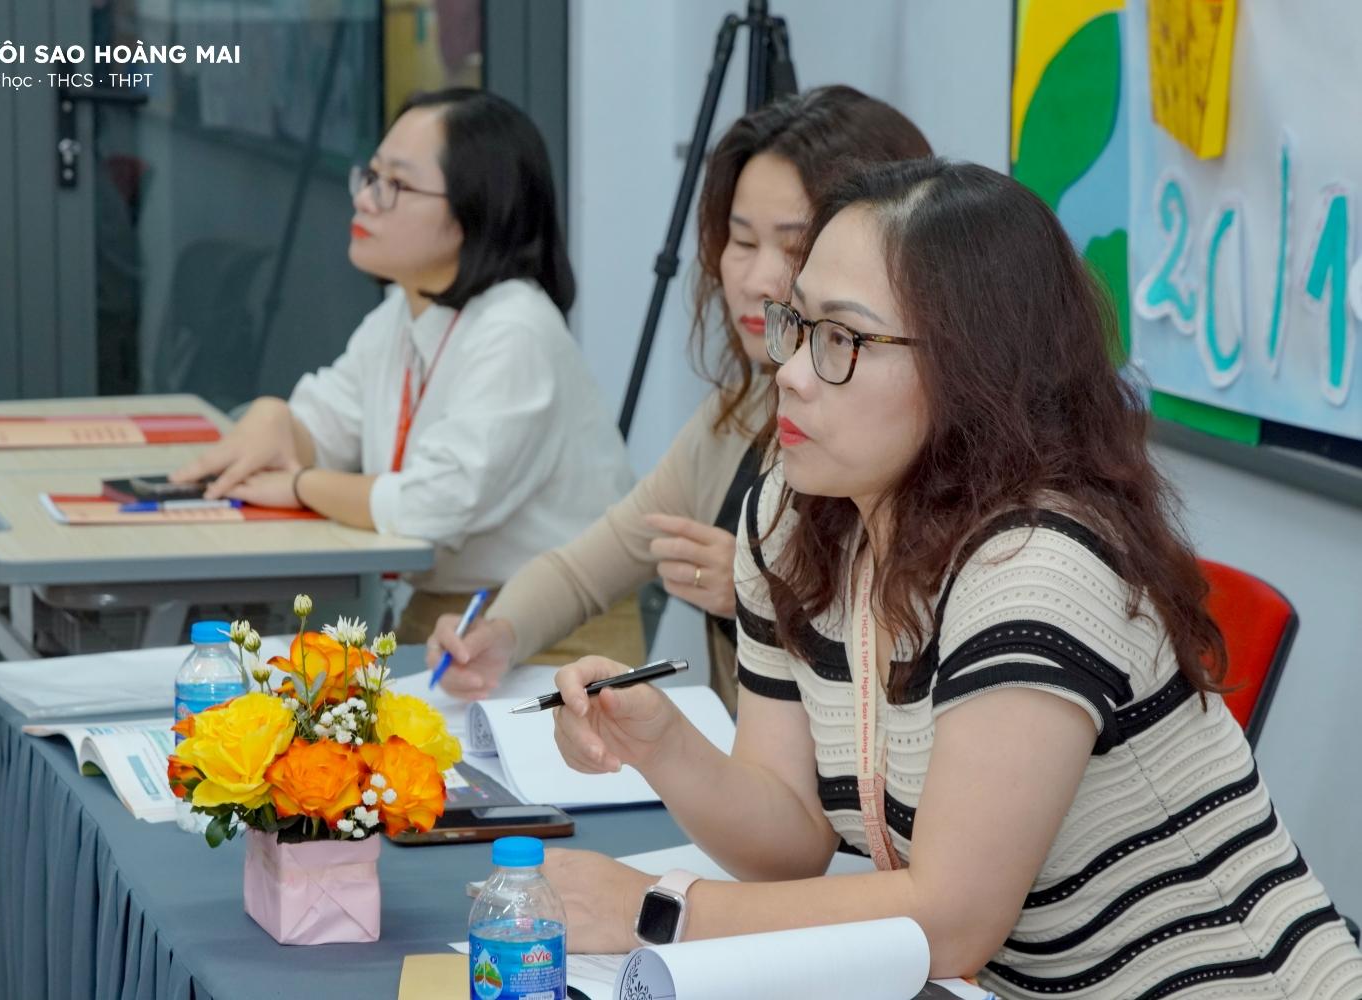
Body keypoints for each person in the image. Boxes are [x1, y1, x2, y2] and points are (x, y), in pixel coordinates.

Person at [538, 159, 1362, 998]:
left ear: (973, 371)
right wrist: (665, 746)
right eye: (797, 323)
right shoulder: (791, 517)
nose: (786, 369)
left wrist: (655, 908)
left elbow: (952, 920)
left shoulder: (1037, 564)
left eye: (841, 340)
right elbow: (790, 838)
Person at [426, 86, 932, 704]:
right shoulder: (735, 417)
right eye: (741, 242)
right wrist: (499, 634)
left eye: (797, 247)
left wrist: (766, 598)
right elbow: (593, 563)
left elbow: (909, 666)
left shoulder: (908, 439)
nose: (755, 280)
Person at [172, 89, 634, 647]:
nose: (366, 199)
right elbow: (328, 425)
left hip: (552, 636)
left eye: (396, 185)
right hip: (442, 618)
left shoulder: (516, 330)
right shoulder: (404, 308)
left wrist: (298, 484)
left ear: (475, 208)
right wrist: (274, 419)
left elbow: (429, 507)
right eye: (369, 176)